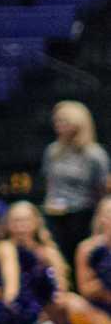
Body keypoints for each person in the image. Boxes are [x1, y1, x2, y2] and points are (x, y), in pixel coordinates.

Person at [42, 101, 109, 255]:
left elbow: (102, 188)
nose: (58, 125)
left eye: (63, 121)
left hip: (82, 215)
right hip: (54, 214)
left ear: (78, 123)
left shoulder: (95, 154)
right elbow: (49, 184)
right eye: (57, 121)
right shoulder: (52, 151)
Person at [69, 197, 111, 324]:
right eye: (108, 214)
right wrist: (104, 282)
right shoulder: (87, 248)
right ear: (100, 219)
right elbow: (85, 289)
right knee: (72, 302)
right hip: (99, 307)